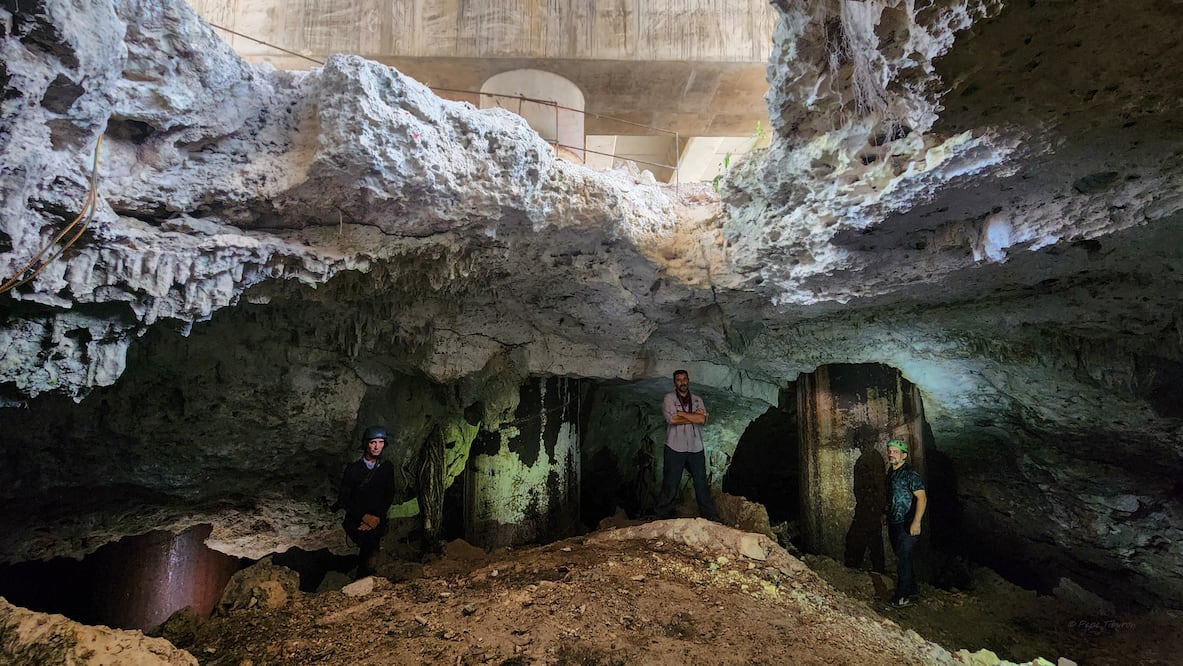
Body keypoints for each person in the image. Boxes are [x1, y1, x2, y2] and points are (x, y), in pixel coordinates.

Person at [655, 370, 719, 521]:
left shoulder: (697, 400)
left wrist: (682, 414)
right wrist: (693, 417)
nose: (682, 382)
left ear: (688, 380)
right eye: (679, 380)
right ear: (675, 382)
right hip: (674, 446)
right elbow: (672, 420)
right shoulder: (669, 398)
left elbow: (702, 420)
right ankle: (662, 514)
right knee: (671, 482)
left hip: (695, 447)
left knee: (701, 482)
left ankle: (708, 515)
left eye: (684, 379)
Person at [335, 425, 396, 579]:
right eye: (373, 442)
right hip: (356, 518)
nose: (377, 447)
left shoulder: (386, 468)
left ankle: (365, 578)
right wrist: (364, 517)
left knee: (371, 539)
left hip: (377, 518)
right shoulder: (353, 469)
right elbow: (344, 499)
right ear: (366, 444)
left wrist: (376, 517)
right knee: (369, 541)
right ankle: (364, 578)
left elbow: (389, 495)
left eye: (381, 442)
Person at [884, 439, 927, 607]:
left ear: (904, 455)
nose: (891, 454)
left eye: (895, 451)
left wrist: (917, 522)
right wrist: (885, 513)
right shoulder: (891, 472)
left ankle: (902, 597)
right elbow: (891, 496)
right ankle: (912, 589)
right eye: (890, 451)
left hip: (907, 523)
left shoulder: (910, 473)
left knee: (903, 560)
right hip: (895, 522)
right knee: (903, 558)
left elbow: (922, 498)